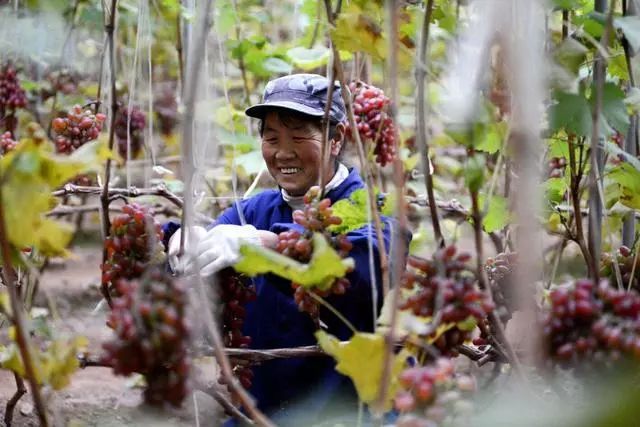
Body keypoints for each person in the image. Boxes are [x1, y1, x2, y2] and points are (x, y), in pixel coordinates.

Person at [166, 74, 399, 425]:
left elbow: (361, 270)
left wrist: (270, 246)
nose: (283, 152)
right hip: (257, 416)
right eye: (272, 138)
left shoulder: (371, 210)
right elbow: (206, 257)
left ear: (337, 139)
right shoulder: (253, 211)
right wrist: (181, 238)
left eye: (299, 136)